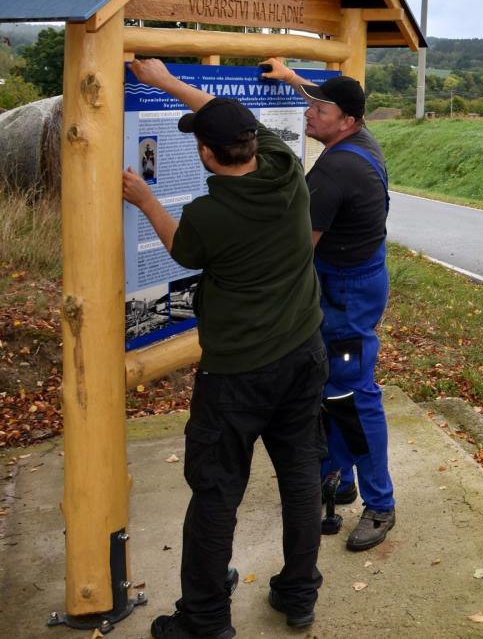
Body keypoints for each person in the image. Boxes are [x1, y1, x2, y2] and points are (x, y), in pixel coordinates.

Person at [122, 59, 326, 637]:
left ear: (208, 155)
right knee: (300, 474)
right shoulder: (285, 167)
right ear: (250, 141)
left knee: (215, 494)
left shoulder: (210, 214)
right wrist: (167, 81)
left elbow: (183, 251)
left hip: (237, 374)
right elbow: (225, 116)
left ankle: (206, 619)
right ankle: (299, 593)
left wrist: (145, 200)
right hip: (303, 353)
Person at [262, 59, 396, 551]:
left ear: (347, 120)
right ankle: (337, 479)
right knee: (330, 387)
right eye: (311, 104)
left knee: (354, 395)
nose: (309, 113)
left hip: (345, 293)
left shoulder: (336, 171)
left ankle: (380, 505)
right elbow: (325, 96)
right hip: (359, 277)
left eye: (320, 110)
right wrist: (291, 78)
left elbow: (299, 252)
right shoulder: (361, 139)